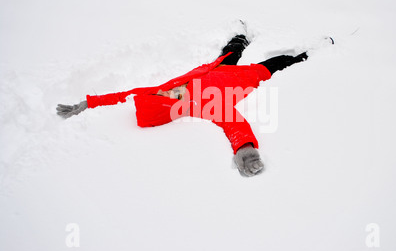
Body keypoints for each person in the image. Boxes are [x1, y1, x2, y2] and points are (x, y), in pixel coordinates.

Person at [57, 25, 334, 177]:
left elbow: (120, 96)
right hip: (242, 78)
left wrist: (86, 103)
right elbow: (233, 122)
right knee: (272, 64)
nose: (168, 93)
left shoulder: (157, 91)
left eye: (163, 95)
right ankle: (310, 52)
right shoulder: (204, 106)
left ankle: (241, 35)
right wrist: (246, 151)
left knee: (230, 52)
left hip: (213, 68)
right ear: (171, 109)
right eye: (168, 98)